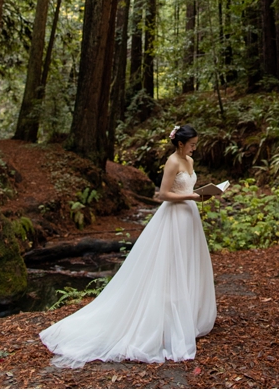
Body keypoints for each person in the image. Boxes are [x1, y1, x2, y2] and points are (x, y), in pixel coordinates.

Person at [39, 124, 217, 367]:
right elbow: (163, 195)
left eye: (196, 144)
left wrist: (200, 195)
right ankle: (163, 321)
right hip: (173, 217)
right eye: (192, 144)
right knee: (168, 267)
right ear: (180, 144)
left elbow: (188, 189)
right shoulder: (172, 162)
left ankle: (186, 316)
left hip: (189, 218)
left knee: (186, 265)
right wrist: (192, 196)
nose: (195, 148)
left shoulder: (189, 161)